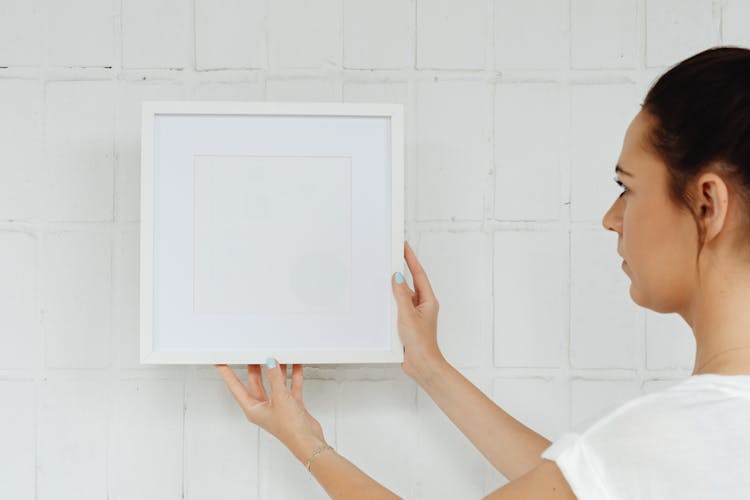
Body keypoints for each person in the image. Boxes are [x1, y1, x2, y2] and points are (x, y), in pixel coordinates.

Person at [215, 46, 750, 499]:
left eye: (626, 189)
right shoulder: (686, 439)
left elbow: (602, 469)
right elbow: (582, 479)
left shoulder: (666, 434)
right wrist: (430, 367)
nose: (611, 219)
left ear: (707, 204)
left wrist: (305, 443)